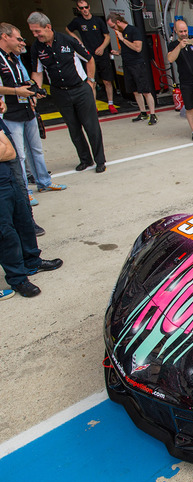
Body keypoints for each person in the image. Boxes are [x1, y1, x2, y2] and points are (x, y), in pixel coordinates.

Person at [28, 11, 106, 173]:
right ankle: (85, 159)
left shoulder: (68, 41)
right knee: (73, 128)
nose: (35, 35)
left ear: (48, 27)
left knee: (91, 126)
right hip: (60, 92)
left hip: (80, 89)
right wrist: (36, 90)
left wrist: (91, 81)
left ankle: (100, 160)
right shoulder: (36, 47)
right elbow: (37, 71)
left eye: (38, 31)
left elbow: (89, 59)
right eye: (33, 32)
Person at [0, 23, 67, 200]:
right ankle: (25, 192)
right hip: (10, 114)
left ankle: (44, 182)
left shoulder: (15, 57)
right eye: (18, 38)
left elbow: (24, 79)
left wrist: (32, 92)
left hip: (27, 109)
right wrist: (17, 92)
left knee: (36, 149)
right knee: (19, 155)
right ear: (5, 37)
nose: (22, 42)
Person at [0, 116, 63, 299]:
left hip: (8, 178)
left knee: (24, 221)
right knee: (6, 234)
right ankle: (18, 278)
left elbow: (10, 151)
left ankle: (32, 261)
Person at [66, 0, 116, 113]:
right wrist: (78, 41)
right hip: (89, 56)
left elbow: (107, 36)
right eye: (81, 8)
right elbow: (68, 29)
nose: (84, 10)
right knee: (92, 82)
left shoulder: (98, 20)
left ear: (89, 7)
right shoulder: (77, 21)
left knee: (107, 81)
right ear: (78, 9)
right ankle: (94, 106)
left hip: (102, 55)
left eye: (86, 7)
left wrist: (102, 47)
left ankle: (111, 104)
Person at [106, 14, 157, 125]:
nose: (113, 29)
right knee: (135, 90)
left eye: (113, 26)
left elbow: (138, 48)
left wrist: (123, 39)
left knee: (145, 90)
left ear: (118, 22)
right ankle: (143, 112)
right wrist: (118, 52)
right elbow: (127, 48)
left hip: (137, 64)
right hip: (127, 64)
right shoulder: (121, 33)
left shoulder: (133, 31)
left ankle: (153, 114)